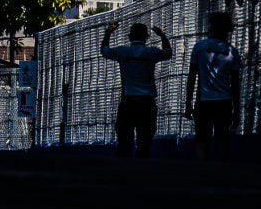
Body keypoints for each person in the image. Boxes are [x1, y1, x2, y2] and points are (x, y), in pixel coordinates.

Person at [98, 20, 172, 158]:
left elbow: (104, 50)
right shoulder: (151, 52)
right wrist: (162, 36)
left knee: (124, 142)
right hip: (147, 102)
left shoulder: (122, 51)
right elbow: (168, 53)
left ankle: (125, 172)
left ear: (129, 37)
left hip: (128, 102)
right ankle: (143, 170)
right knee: (145, 143)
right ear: (146, 37)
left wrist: (108, 32)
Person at [184, 10, 242, 161]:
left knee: (202, 138)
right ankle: (221, 172)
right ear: (227, 30)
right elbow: (235, 84)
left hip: (204, 100)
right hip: (225, 100)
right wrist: (237, 110)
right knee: (222, 138)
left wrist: (188, 103)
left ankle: (202, 170)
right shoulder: (232, 52)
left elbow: (192, 77)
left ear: (211, 27)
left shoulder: (200, 47)